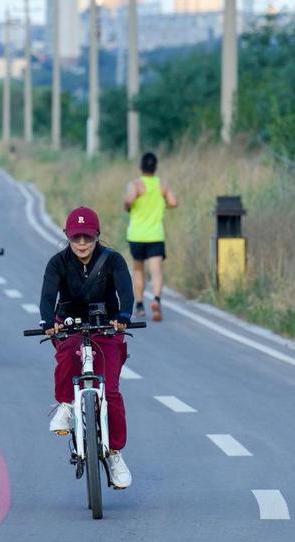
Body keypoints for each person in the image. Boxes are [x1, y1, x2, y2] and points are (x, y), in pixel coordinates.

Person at [40, 207, 134, 489]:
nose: (81, 244)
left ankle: (115, 454)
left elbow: (126, 293)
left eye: (87, 238)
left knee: (113, 391)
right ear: (67, 236)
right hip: (69, 327)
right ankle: (67, 405)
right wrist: (47, 322)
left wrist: (123, 318)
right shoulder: (57, 263)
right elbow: (47, 296)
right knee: (68, 354)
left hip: (106, 327)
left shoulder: (113, 260)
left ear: (97, 236)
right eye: (76, 238)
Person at [123, 152, 178, 322]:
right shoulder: (162, 185)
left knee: (138, 271)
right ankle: (156, 300)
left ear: (141, 167)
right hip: (155, 235)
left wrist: (129, 206)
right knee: (156, 272)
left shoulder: (136, 185)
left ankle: (139, 306)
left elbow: (128, 201)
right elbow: (174, 203)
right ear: (155, 167)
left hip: (137, 235)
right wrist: (162, 204)